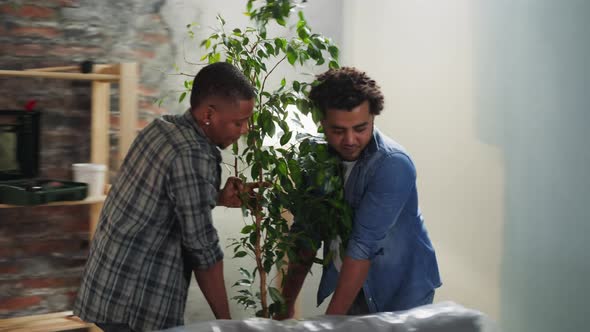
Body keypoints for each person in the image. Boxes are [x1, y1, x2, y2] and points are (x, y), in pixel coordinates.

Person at [74, 62, 256, 331]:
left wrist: (215, 197)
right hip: (134, 298)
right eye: (238, 122)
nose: (244, 130)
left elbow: (162, 198)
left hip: (107, 285)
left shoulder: (162, 128)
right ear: (208, 114)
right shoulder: (193, 154)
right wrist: (227, 323)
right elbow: (202, 248)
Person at [279, 67, 441, 318]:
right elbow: (306, 235)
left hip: (402, 289)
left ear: (373, 118)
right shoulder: (315, 158)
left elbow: (362, 247)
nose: (350, 140)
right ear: (321, 121)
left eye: (360, 128)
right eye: (338, 130)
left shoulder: (393, 165)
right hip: (353, 281)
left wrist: (329, 325)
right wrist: (284, 307)